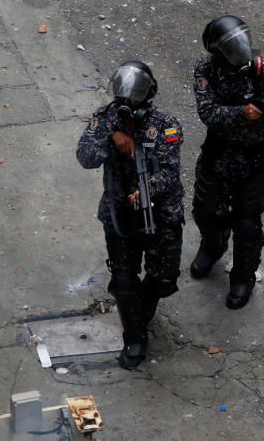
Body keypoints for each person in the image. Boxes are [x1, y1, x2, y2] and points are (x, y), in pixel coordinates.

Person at [189, 16, 264, 310]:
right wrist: (244, 113)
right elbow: (209, 113)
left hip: (256, 159)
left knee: (247, 225)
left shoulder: (261, 68)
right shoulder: (205, 70)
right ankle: (213, 247)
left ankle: (243, 278)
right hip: (219, 155)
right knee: (205, 212)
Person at [76, 61, 184, 369]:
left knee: (163, 278)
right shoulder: (104, 119)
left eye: (133, 100)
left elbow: (170, 173)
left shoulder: (165, 124)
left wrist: (146, 187)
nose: (126, 106)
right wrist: (111, 136)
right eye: (122, 99)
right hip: (119, 213)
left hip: (161, 213)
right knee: (123, 280)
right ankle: (135, 337)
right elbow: (85, 157)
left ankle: (142, 310)